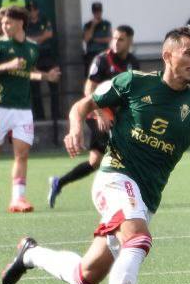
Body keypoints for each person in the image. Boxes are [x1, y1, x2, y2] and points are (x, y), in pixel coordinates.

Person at [1, 24, 190, 284]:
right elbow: (82, 106)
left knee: (84, 276)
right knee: (139, 239)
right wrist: (75, 129)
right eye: (189, 53)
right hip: (114, 178)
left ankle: (29, 254)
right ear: (167, 55)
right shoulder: (133, 82)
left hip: (145, 199)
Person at [0, 6, 61, 212]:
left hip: (23, 109)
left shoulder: (32, 48)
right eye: (2, 23)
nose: (4, 27)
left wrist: (45, 76)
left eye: (8, 23)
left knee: (22, 154)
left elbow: (28, 72)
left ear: (20, 23)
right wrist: (7, 65)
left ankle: (18, 199)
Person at [48, 25, 139, 209]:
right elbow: (89, 89)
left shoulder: (133, 63)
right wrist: (100, 114)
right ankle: (126, 198)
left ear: (130, 41)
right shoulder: (102, 60)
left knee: (94, 161)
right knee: (124, 153)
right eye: (114, 38)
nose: (115, 42)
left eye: (120, 39)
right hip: (97, 114)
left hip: (116, 117)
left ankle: (59, 182)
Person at [24, 0, 58, 121]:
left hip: (48, 56)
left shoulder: (44, 20)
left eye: (34, 9)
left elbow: (49, 34)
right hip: (34, 58)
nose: (32, 12)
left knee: (54, 86)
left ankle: (56, 116)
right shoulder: (25, 23)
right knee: (35, 89)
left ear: (37, 10)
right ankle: (40, 117)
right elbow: (25, 39)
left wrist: (35, 39)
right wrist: (41, 37)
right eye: (30, 10)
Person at [82, 2, 111, 75]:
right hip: (91, 54)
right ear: (93, 12)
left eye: (99, 11)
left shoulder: (106, 24)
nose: (97, 14)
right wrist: (92, 26)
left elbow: (108, 39)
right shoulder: (87, 25)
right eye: (95, 12)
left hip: (103, 53)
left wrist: (94, 40)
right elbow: (86, 40)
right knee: (91, 75)